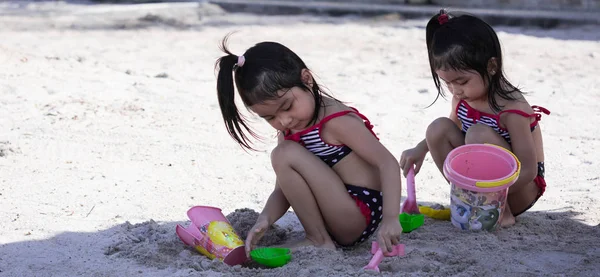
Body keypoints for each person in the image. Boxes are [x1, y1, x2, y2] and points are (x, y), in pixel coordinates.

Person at [214, 35, 403, 256]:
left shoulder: (336, 121)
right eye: (269, 117)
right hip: (333, 214)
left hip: (357, 214)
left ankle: (318, 239)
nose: (284, 121)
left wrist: (391, 218)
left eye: (287, 106)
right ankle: (319, 236)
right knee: (283, 154)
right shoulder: (290, 132)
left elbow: (387, 163)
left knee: (283, 153)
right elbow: (284, 189)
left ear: (307, 80)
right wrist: (265, 218)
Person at [399, 10, 550, 227]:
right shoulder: (463, 98)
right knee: (438, 128)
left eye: (461, 81)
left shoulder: (512, 109)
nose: (455, 90)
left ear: (492, 66)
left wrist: (490, 190)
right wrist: (420, 149)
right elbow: (451, 129)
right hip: (481, 186)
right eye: (447, 83)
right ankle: (468, 200)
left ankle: (501, 211)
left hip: (519, 188)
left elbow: (528, 170)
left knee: (477, 134)